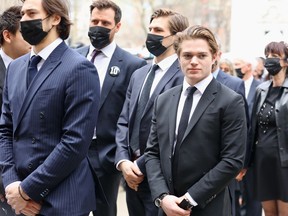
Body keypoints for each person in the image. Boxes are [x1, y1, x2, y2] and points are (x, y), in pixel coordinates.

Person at [0, 0, 101, 215]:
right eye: (23, 14)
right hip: (18, 198)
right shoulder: (16, 68)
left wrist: (28, 190)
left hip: (61, 198)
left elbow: (74, 142)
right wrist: (11, 184)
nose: (24, 20)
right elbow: (6, 129)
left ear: (55, 18)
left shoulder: (79, 68)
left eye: (31, 13)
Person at [145, 25, 247, 216]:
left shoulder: (231, 101)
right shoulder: (164, 100)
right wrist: (162, 196)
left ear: (215, 57)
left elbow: (232, 160)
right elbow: (152, 152)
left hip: (209, 206)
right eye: (187, 55)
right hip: (167, 206)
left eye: (201, 56)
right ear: (178, 57)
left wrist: (189, 200)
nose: (194, 61)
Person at [115, 8, 189, 216]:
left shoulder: (183, 76)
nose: (151, 35)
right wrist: (123, 163)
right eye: (150, 29)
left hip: (162, 180)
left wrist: (138, 167)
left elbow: (173, 133)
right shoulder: (139, 74)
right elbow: (123, 122)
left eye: (158, 30)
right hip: (131, 179)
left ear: (176, 37)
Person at [76, 1, 146, 216]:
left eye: (105, 22)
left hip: (106, 155)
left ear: (117, 26)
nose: (98, 26)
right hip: (72, 149)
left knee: (104, 211)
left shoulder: (133, 65)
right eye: (94, 21)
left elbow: (133, 116)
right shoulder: (73, 57)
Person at [249, 41, 288, 216]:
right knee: (269, 213)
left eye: (275, 57)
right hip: (263, 160)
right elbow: (253, 128)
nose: (269, 61)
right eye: (267, 56)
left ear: (286, 62)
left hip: (284, 163)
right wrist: (246, 162)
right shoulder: (261, 90)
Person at [0, 6, 31, 216]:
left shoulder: (34, 67)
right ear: (7, 35)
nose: (32, 37)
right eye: (24, 32)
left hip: (31, 182)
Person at [233, 56, 263, 216]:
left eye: (239, 64)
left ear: (249, 66)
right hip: (236, 149)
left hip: (253, 150)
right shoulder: (232, 84)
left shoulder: (260, 88)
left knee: (253, 196)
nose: (236, 67)